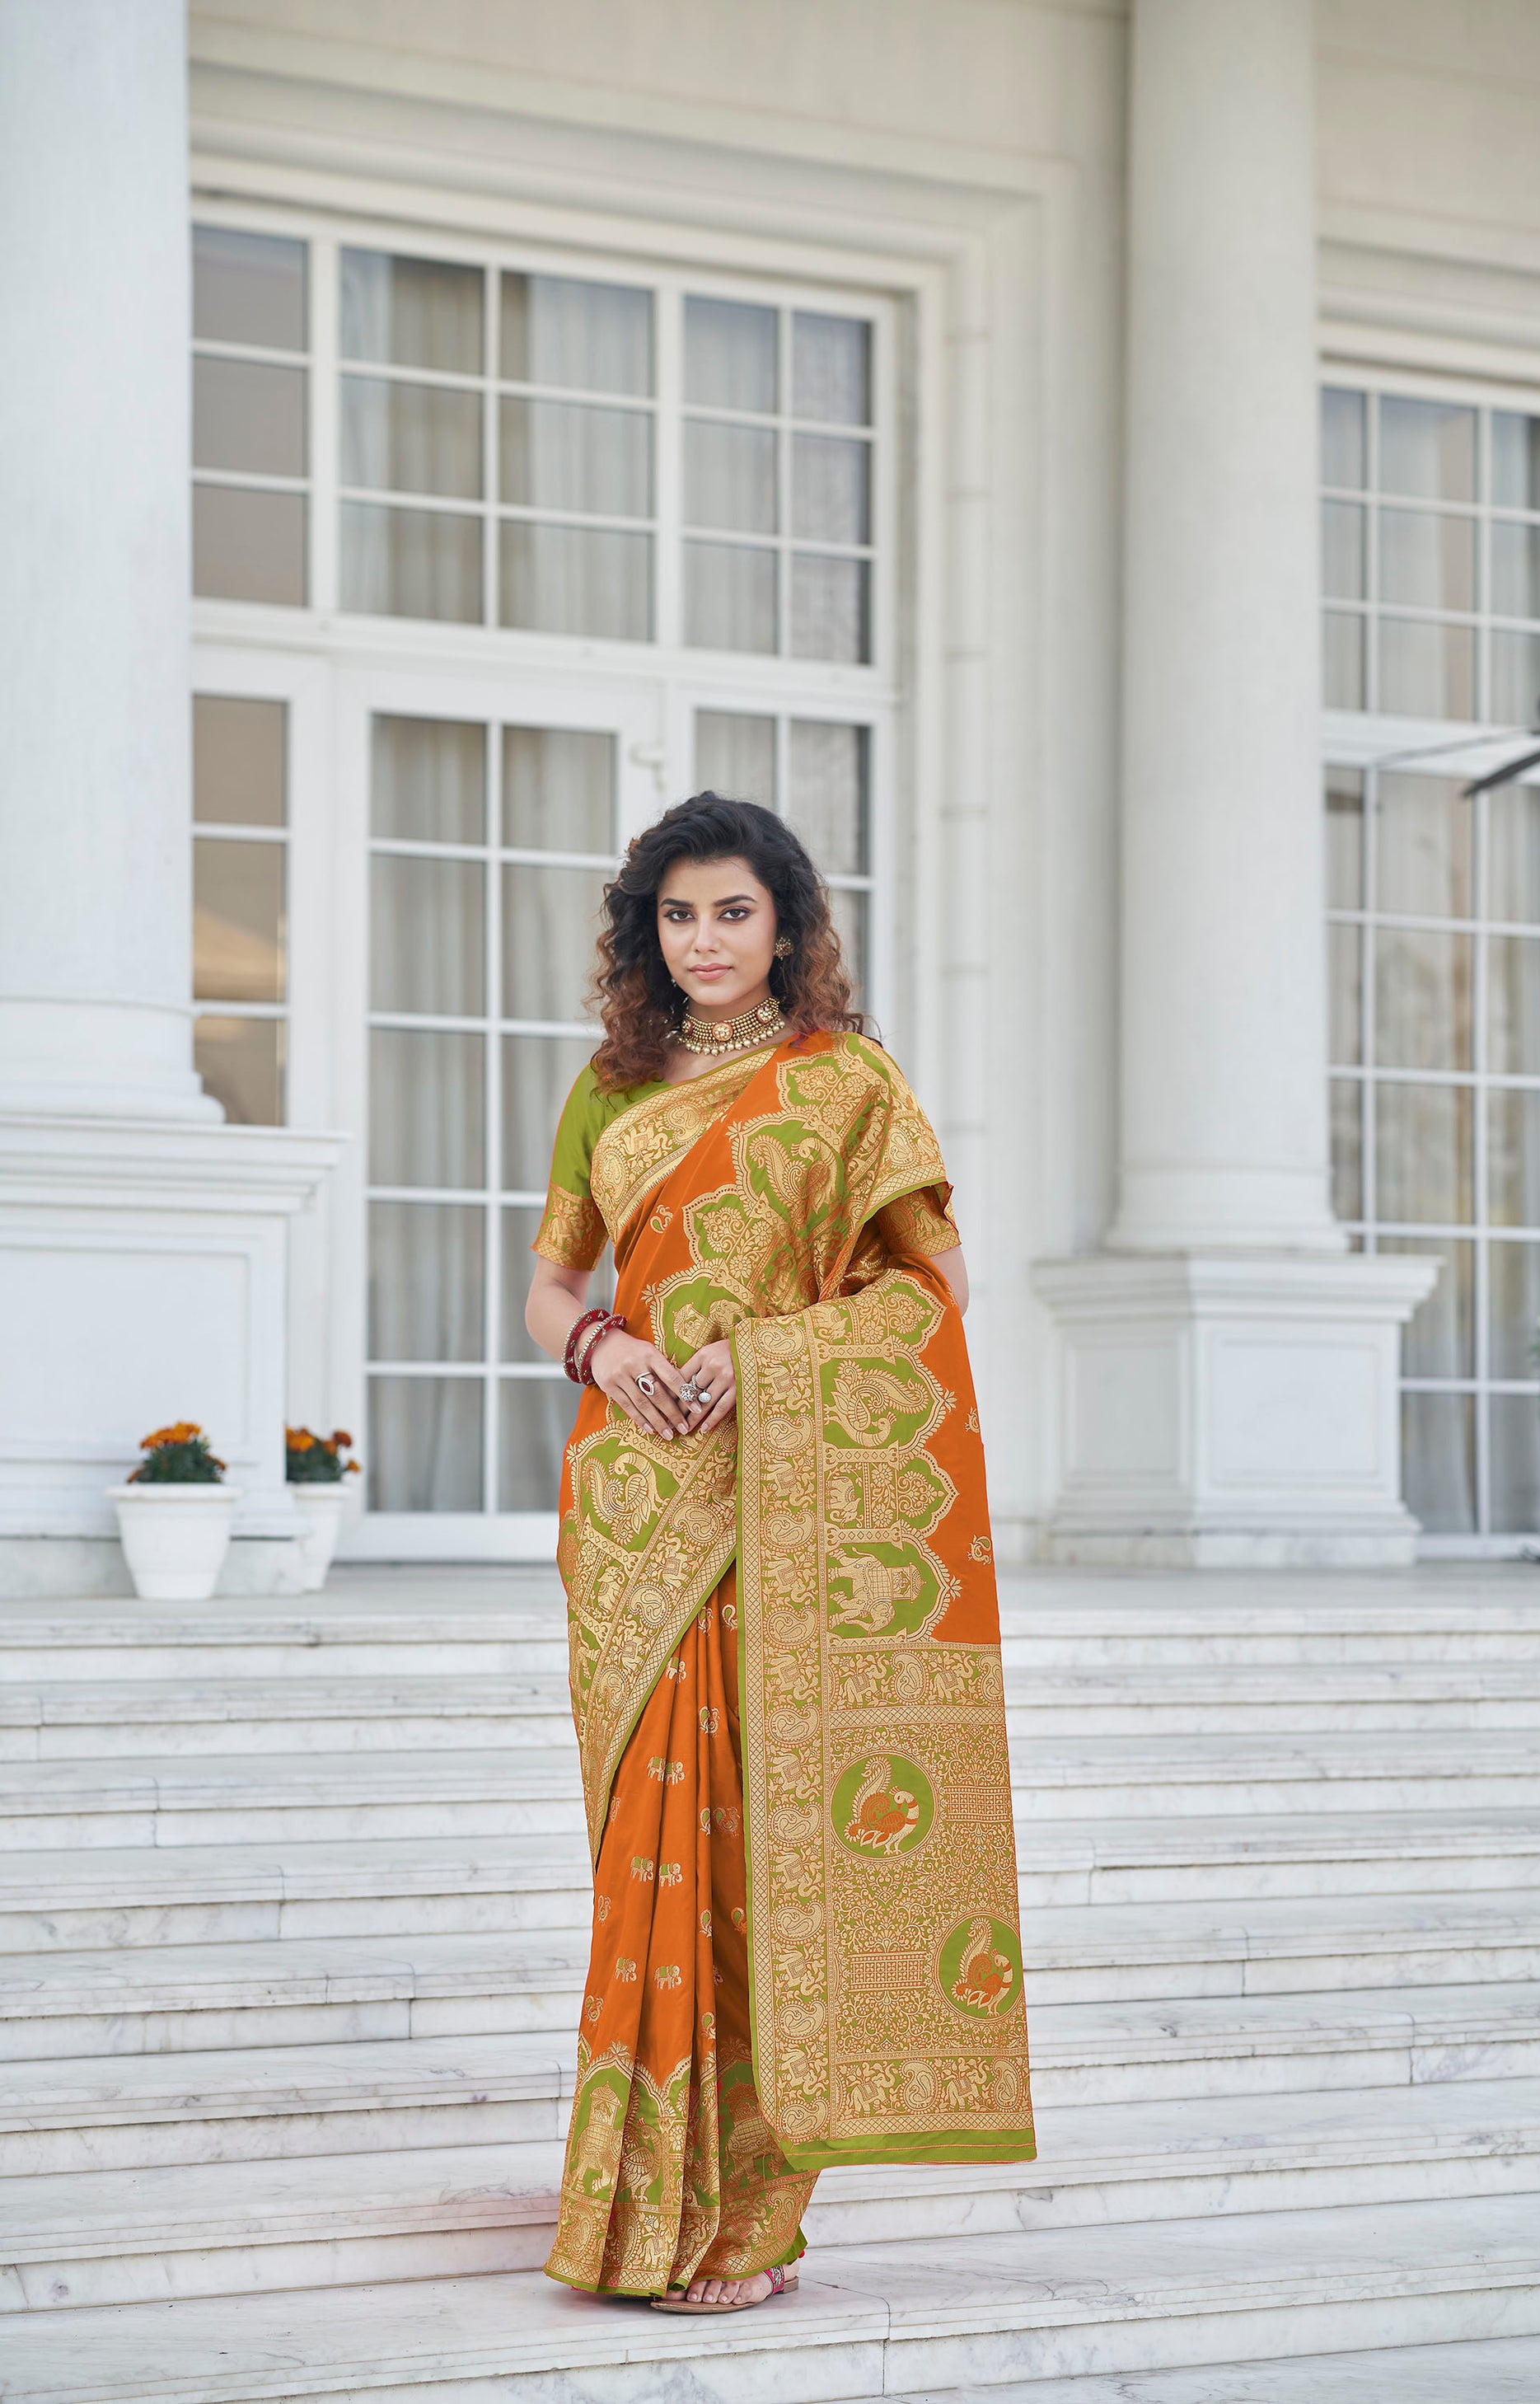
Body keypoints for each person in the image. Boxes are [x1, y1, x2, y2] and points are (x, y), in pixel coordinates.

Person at [526, 793, 1034, 2314]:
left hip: (781, 1508)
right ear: (647, 931)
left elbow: (933, 1292)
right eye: (677, 914)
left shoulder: (847, 1084)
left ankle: (742, 2222)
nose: (704, 941)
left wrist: (763, 1357)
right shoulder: (609, 1089)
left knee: (759, 1858)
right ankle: (631, 2212)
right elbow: (548, 1289)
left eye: (732, 912)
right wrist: (607, 1349)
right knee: (646, 1867)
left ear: (786, 924)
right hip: (634, 1507)